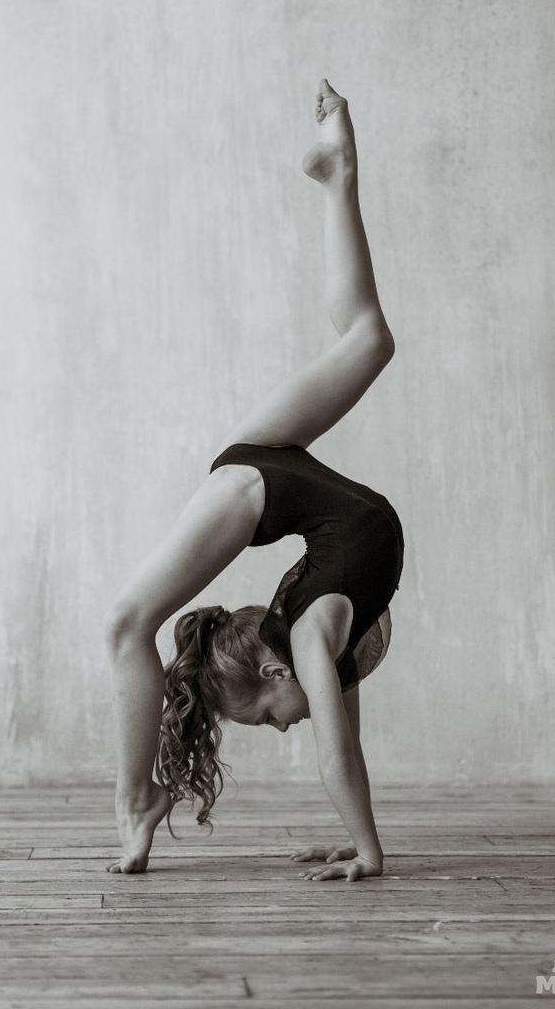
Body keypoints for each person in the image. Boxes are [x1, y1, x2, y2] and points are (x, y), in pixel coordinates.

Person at [105, 79, 403, 883]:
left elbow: (335, 755)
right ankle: (338, 171)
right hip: (268, 465)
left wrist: (370, 851)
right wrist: (359, 841)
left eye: (267, 719)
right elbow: (346, 746)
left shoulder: (305, 639)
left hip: (256, 486)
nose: (284, 729)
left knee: (127, 626)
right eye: (273, 724)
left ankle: (138, 800)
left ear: (272, 673)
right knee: (370, 339)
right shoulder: (316, 641)